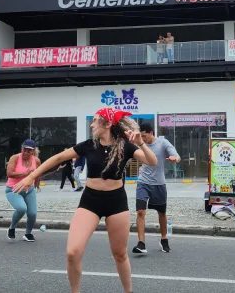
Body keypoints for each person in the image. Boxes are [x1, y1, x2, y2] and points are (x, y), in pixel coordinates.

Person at [12, 107, 157, 293]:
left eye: (95, 120)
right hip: (90, 200)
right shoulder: (89, 145)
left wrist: (141, 144)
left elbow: (152, 162)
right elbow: (58, 157)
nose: (92, 124)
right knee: (73, 252)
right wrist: (32, 176)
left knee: (120, 254)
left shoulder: (125, 146)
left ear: (107, 123)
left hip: (116, 202)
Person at [132, 123, 180, 254]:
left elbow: (177, 155)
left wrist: (174, 159)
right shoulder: (140, 143)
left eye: (144, 136)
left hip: (159, 184)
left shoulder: (163, 143)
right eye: (140, 136)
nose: (142, 139)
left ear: (151, 133)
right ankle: (141, 243)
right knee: (140, 212)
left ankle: (164, 239)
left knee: (161, 213)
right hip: (143, 182)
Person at [5, 139, 42, 242]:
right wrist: (26, 173)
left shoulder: (37, 161)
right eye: (24, 149)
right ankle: (12, 228)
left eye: (28, 151)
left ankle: (28, 233)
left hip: (29, 190)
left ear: (33, 152)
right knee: (22, 208)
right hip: (13, 189)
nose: (25, 152)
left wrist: (36, 184)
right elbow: (9, 173)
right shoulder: (15, 158)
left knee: (32, 213)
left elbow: (38, 174)